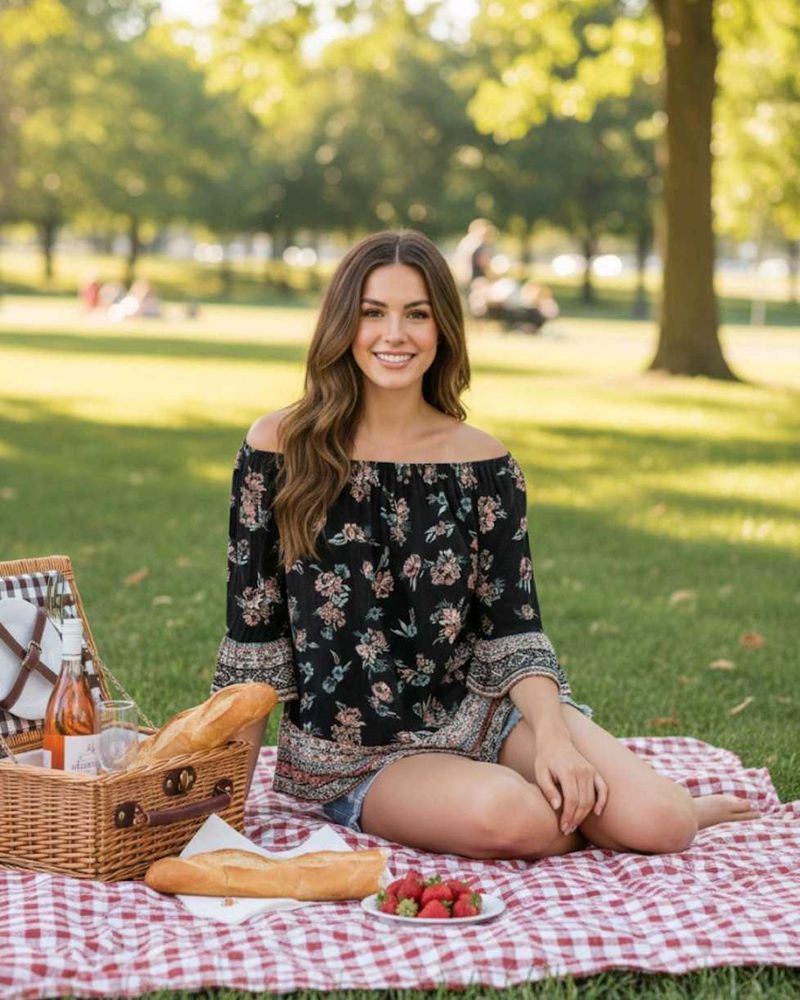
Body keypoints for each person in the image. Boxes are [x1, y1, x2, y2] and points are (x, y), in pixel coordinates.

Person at [213, 229, 761, 860]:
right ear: (343, 323)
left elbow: (512, 624)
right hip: (356, 754)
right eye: (373, 313)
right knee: (517, 816)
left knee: (665, 824)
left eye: (417, 314)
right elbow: (254, 638)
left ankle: (638, 813)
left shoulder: (485, 462)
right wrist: (223, 813)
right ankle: (591, 818)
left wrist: (553, 739)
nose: (395, 334)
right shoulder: (278, 448)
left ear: (443, 327)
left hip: (485, 713)